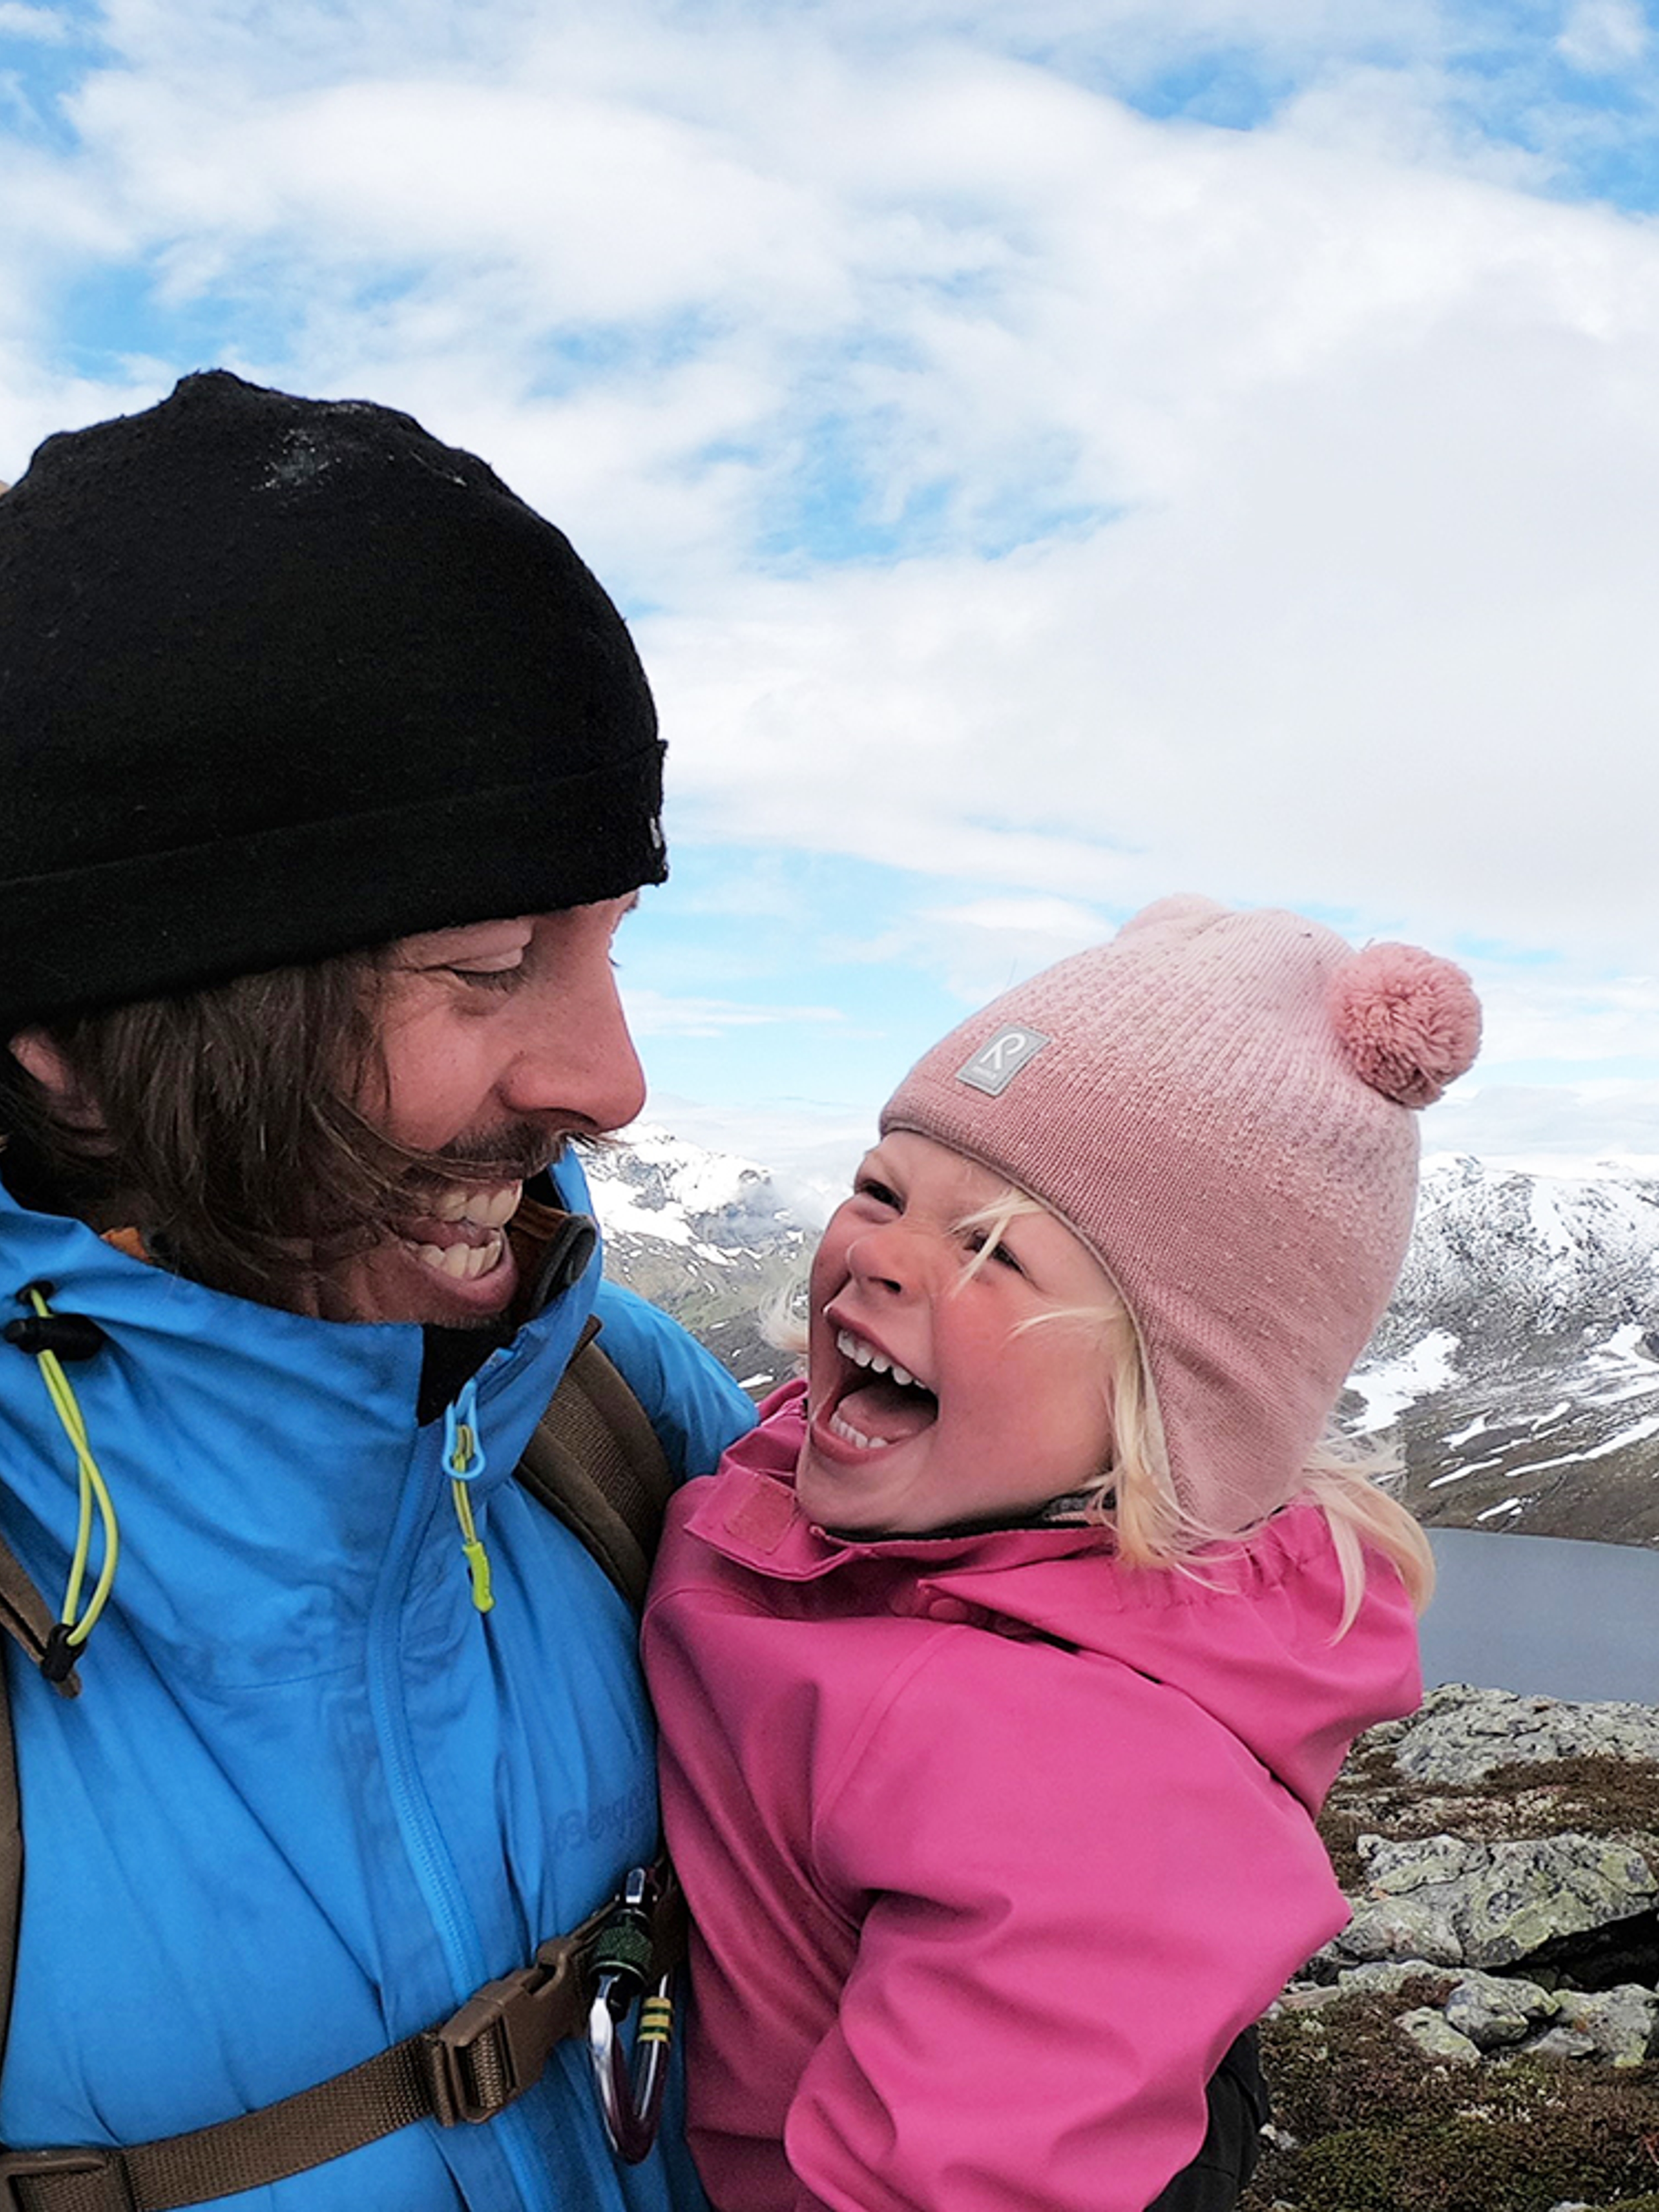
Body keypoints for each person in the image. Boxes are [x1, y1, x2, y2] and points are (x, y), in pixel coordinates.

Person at [0, 370, 756, 2209]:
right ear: (78, 1044)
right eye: (487, 961)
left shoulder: (608, 1404)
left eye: (605, 936)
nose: (613, 1075)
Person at [644, 895, 1481, 2212]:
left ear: (1170, 1401)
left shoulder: (1091, 1779)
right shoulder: (849, 1488)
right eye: (881, 1190)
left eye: (993, 1251)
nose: (885, 1257)